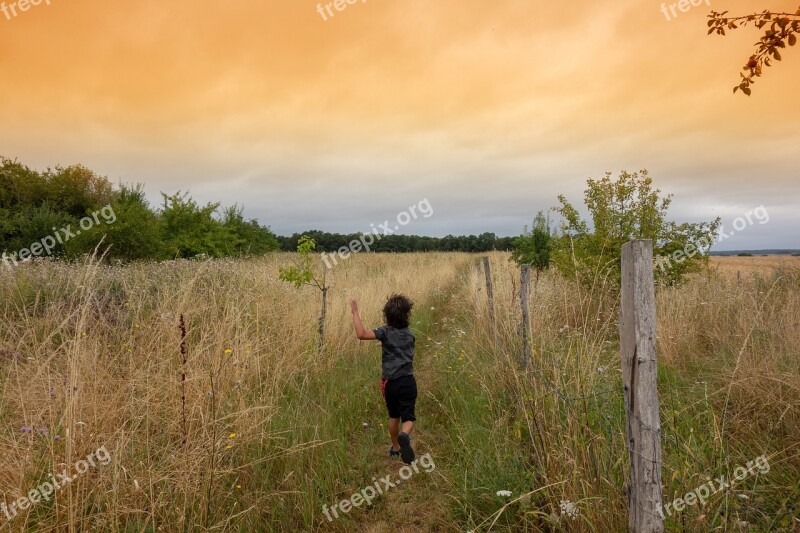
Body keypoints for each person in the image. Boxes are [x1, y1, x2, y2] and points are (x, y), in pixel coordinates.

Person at [349, 295, 417, 464]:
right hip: (408, 382)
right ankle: (405, 435)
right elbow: (403, 349)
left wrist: (355, 312)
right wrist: (385, 344)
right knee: (408, 418)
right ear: (407, 315)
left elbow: (361, 334)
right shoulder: (410, 335)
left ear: (387, 315)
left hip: (390, 384)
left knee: (393, 416)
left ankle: (396, 448)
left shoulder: (384, 332)